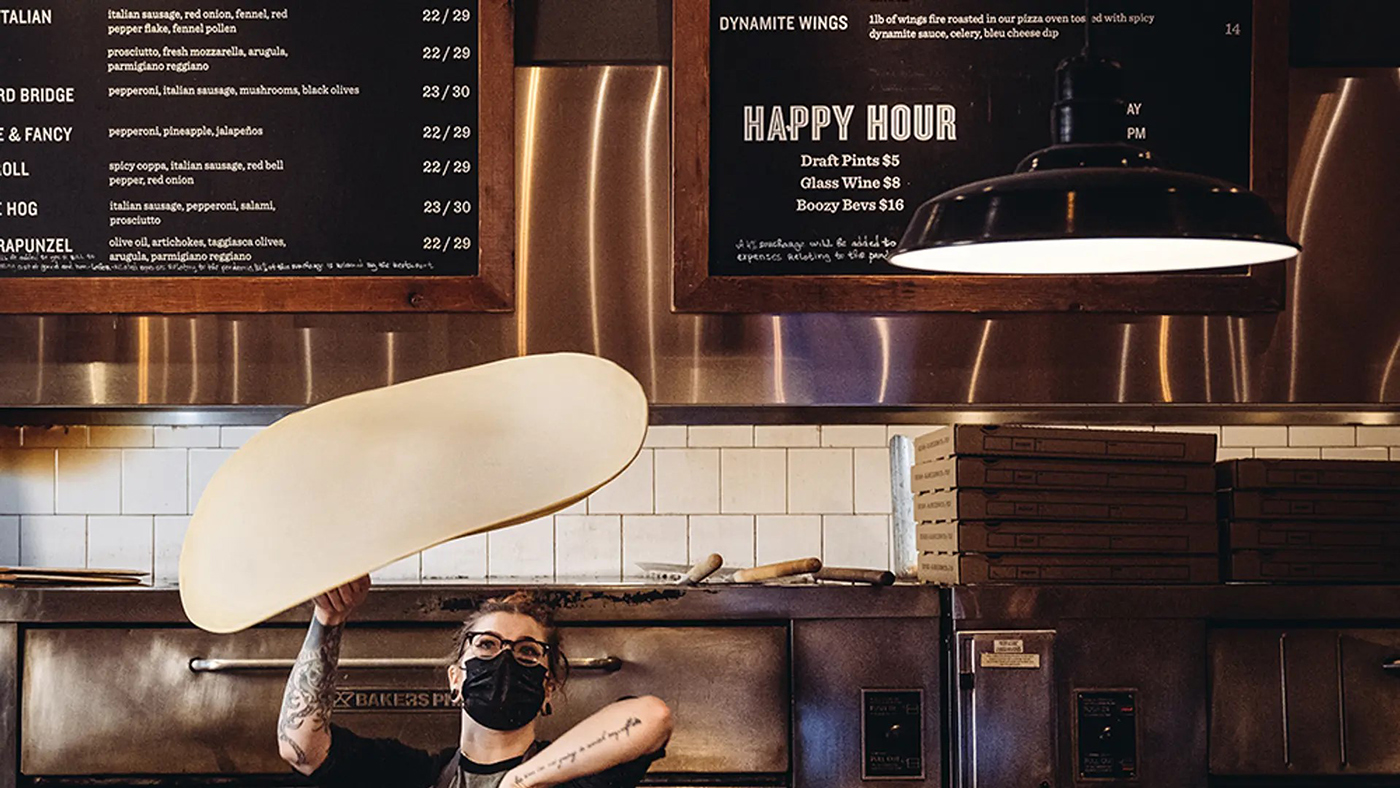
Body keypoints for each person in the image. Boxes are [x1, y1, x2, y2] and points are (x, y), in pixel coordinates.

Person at [277, 576, 672, 788]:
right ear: (455, 678)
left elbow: (651, 717)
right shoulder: (414, 775)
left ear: (547, 688)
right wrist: (328, 619)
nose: (504, 659)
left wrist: (520, 781)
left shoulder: (573, 775)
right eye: (486, 645)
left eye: (527, 652)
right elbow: (300, 747)